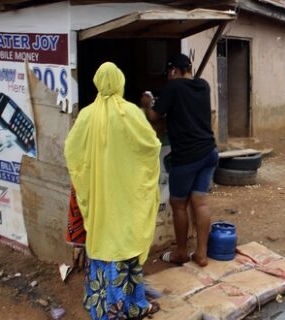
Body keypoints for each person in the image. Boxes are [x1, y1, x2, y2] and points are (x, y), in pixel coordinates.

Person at [65, 62, 162, 319]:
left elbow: (71, 152)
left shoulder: (86, 115)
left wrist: (89, 175)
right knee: (125, 248)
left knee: (103, 246)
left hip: (100, 200)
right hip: (125, 199)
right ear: (120, 82)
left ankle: (102, 308)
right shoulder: (130, 113)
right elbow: (151, 146)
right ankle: (133, 306)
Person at [141, 54, 218, 267]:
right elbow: (184, 109)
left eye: (168, 73)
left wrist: (148, 103)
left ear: (174, 70)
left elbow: (155, 116)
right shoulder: (203, 85)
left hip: (186, 157)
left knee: (179, 205)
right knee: (200, 202)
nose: (168, 77)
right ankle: (201, 253)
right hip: (209, 152)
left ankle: (181, 252)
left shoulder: (173, 88)